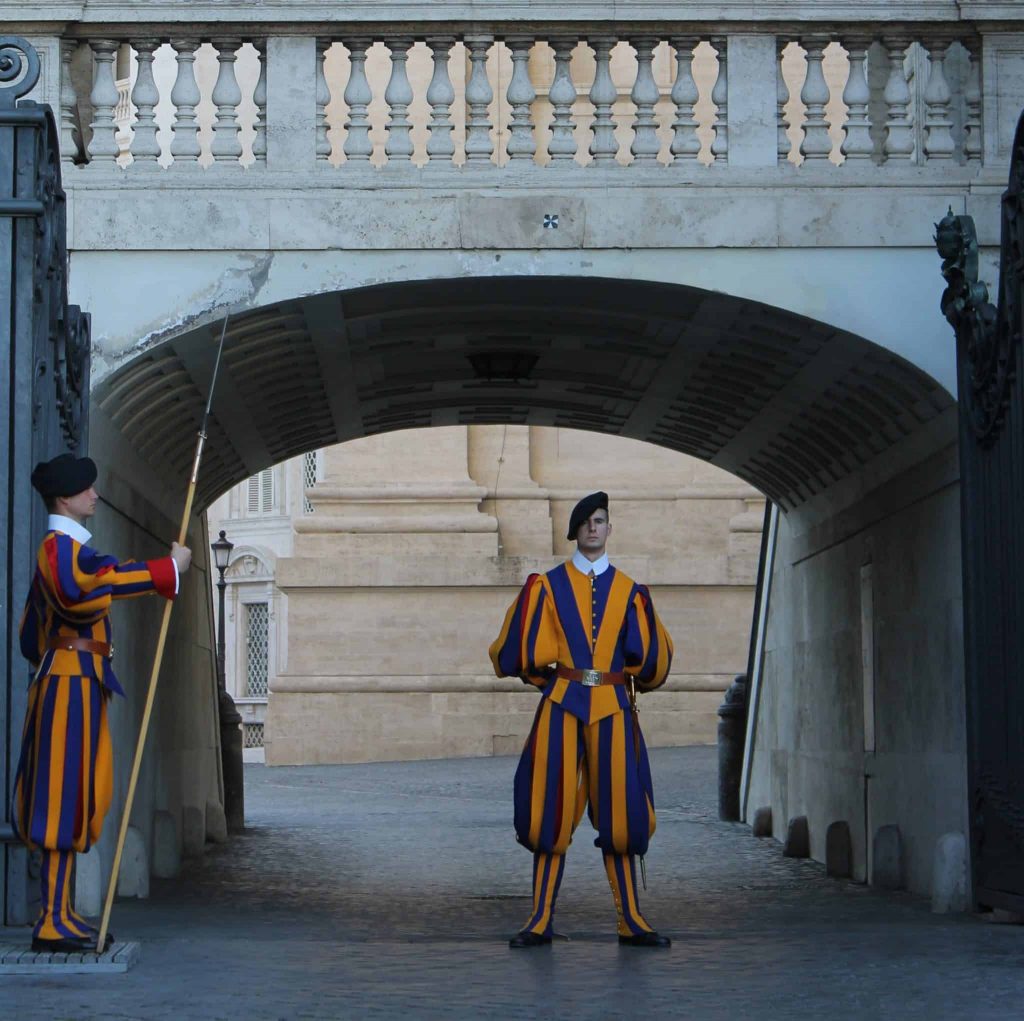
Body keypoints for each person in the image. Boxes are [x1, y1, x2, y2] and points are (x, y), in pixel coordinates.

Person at [13, 453, 192, 953]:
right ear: (65, 498)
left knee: (80, 794)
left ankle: (62, 911)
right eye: (86, 489)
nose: (95, 495)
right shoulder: (59, 551)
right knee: (60, 797)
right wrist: (163, 571)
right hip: (68, 683)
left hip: (80, 679)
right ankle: (51, 918)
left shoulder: (72, 550)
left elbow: (32, 634)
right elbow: (81, 591)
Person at [489, 491, 674, 948]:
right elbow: (520, 653)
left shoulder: (631, 592)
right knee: (549, 810)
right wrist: (552, 686)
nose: (594, 528)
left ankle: (631, 919)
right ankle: (539, 919)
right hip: (562, 707)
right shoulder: (547, 588)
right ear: (576, 531)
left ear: (610, 529)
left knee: (621, 814)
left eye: (601, 520)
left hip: (612, 707)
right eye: (587, 521)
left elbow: (652, 665)